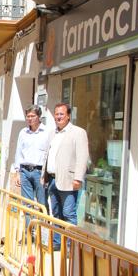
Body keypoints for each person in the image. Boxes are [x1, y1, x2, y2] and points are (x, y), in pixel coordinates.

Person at [42, 103, 89, 251]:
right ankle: (57, 242)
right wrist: (44, 174)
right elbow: (48, 154)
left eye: (61, 114)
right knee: (55, 213)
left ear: (68, 115)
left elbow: (83, 157)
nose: (58, 117)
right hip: (53, 179)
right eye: (56, 114)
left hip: (68, 180)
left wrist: (78, 178)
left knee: (68, 213)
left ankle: (70, 246)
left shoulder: (78, 132)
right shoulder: (52, 133)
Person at [14, 105, 50, 208]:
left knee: (42, 204)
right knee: (27, 205)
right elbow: (18, 153)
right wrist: (18, 173)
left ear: (39, 117)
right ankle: (29, 225)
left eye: (32, 116)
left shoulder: (47, 132)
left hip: (40, 173)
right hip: (25, 172)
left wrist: (46, 174)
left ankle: (42, 224)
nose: (29, 119)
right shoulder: (23, 132)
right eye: (28, 116)